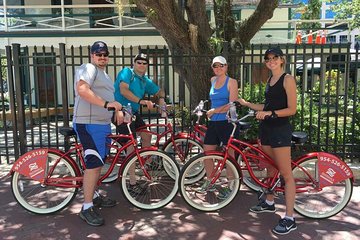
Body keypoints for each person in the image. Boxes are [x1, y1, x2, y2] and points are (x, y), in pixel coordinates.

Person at [237, 47, 297, 235]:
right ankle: (270, 202)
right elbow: (267, 106)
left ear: (282, 60)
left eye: (274, 58)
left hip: (280, 130)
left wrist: (269, 113)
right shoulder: (270, 80)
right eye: (268, 59)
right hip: (267, 130)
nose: (271, 61)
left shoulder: (288, 79)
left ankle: (289, 218)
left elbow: (292, 109)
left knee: (286, 175)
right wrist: (247, 104)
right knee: (270, 168)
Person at [72, 41, 123, 226]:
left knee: (98, 162)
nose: (102, 57)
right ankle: (86, 208)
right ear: (92, 55)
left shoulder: (104, 75)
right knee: (93, 164)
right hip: (88, 123)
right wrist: (107, 105)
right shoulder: (88, 68)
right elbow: (82, 90)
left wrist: (117, 110)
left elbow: (111, 99)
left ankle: (93, 196)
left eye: (105, 54)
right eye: (98, 53)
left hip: (101, 125)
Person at [114, 53, 165, 194]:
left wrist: (161, 99)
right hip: (121, 111)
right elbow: (124, 90)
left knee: (147, 136)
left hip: (133, 113)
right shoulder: (127, 72)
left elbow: (160, 91)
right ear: (134, 63)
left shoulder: (144, 80)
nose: (142, 65)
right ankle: (132, 182)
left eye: (144, 63)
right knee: (131, 146)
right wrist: (142, 101)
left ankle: (146, 165)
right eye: (139, 62)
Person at [197, 56, 239, 199]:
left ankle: (231, 185)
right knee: (207, 152)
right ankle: (210, 181)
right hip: (214, 123)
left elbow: (232, 104)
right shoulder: (213, 81)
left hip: (227, 123)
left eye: (221, 65)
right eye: (215, 66)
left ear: (226, 67)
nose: (218, 68)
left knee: (229, 156)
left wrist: (214, 111)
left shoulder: (232, 82)